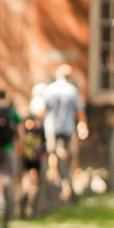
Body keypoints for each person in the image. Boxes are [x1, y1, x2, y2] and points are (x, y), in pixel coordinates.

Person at [42, 65, 87, 197]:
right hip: (67, 127)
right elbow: (80, 111)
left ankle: (54, 178)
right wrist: (83, 125)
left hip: (51, 126)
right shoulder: (72, 91)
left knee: (52, 152)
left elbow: (44, 110)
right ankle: (65, 179)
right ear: (70, 77)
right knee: (65, 152)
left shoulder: (49, 90)